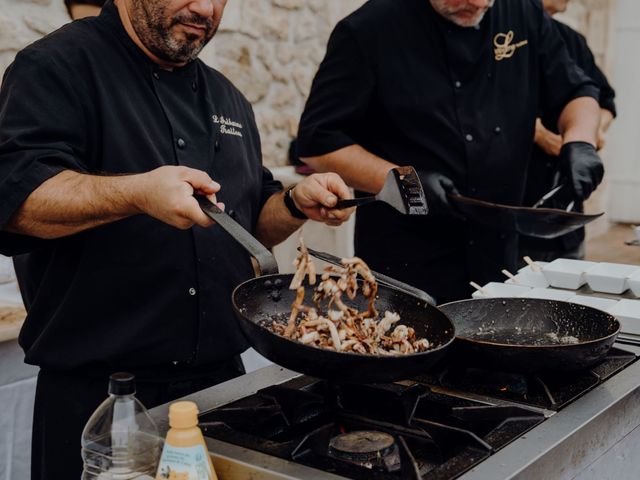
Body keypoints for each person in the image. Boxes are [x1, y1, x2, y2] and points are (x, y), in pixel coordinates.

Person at [0, 0, 353, 478]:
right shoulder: (56, 66)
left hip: (224, 393)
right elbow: (18, 200)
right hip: (103, 404)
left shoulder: (228, 98)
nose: (204, 8)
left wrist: (293, 203)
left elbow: (247, 224)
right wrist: (137, 192)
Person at [297, 0, 604, 303]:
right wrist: (408, 185)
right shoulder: (367, 29)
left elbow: (576, 91)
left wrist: (580, 141)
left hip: (500, 252)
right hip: (408, 262)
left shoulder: (523, 11)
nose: (478, 3)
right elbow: (318, 141)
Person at [520, 0, 616, 262]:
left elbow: (604, 102)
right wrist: (539, 135)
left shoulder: (572, 40)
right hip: (518, 203)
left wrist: (586, 137)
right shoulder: (505, 37)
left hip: (565, 202)